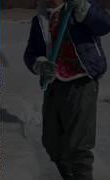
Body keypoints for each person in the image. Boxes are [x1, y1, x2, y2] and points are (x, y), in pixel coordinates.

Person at [24, 0, 110, 179]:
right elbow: (30, 53)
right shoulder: (40, 19)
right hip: (54, 83)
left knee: (79, 147)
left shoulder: (79, 6)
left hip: (81, 80)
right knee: (52, 142)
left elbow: (104, 24)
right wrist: (39, 64)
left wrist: (85, 9)